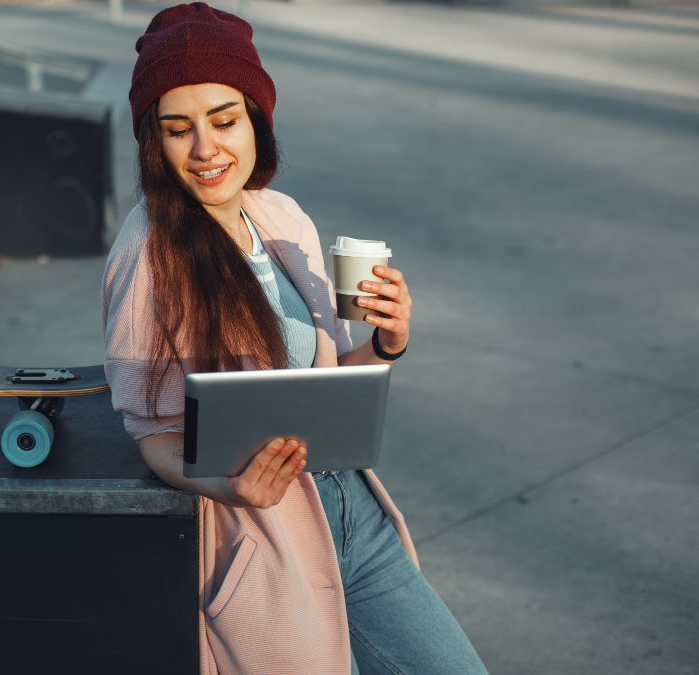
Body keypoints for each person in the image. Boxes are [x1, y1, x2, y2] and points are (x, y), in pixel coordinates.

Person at [101, 4, 490, 673]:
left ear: (257, 118)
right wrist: (230, 487)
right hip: (263, 537)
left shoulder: (282, 217)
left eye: (224, 120)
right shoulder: (148, 254)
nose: (206, 149)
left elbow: (328, 384)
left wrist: (387, 343)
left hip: (354, 514)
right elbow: (155, 435)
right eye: (177, 129)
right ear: (152, 142)